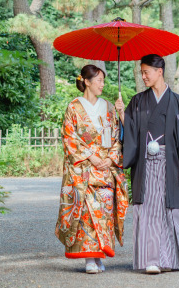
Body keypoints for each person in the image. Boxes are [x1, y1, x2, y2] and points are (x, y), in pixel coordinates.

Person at [121, 54, 179, 274]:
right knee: (148, 210)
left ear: (159, 71)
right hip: (146, 164)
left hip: (171, 163)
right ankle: (152, 260)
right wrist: (121, 113)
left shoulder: (177, 102)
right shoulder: (137, 101)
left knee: (170, 210)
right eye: (142, 72)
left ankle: (172, 260)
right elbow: (132, 132)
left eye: (146, 71)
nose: (143, 76)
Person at [55, 64, 129, 274]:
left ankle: (99, 254)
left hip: (105, 167)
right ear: (86, 81)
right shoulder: (74, 107)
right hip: (84, 169)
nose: (102, 85)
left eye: (103, 81)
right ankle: (89, 257)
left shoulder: (109, 107)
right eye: (99, 81)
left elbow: (117, 137)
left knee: (104, 212)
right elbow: (69, 138)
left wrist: (111, 158)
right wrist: (92, 157)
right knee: (86, 213)